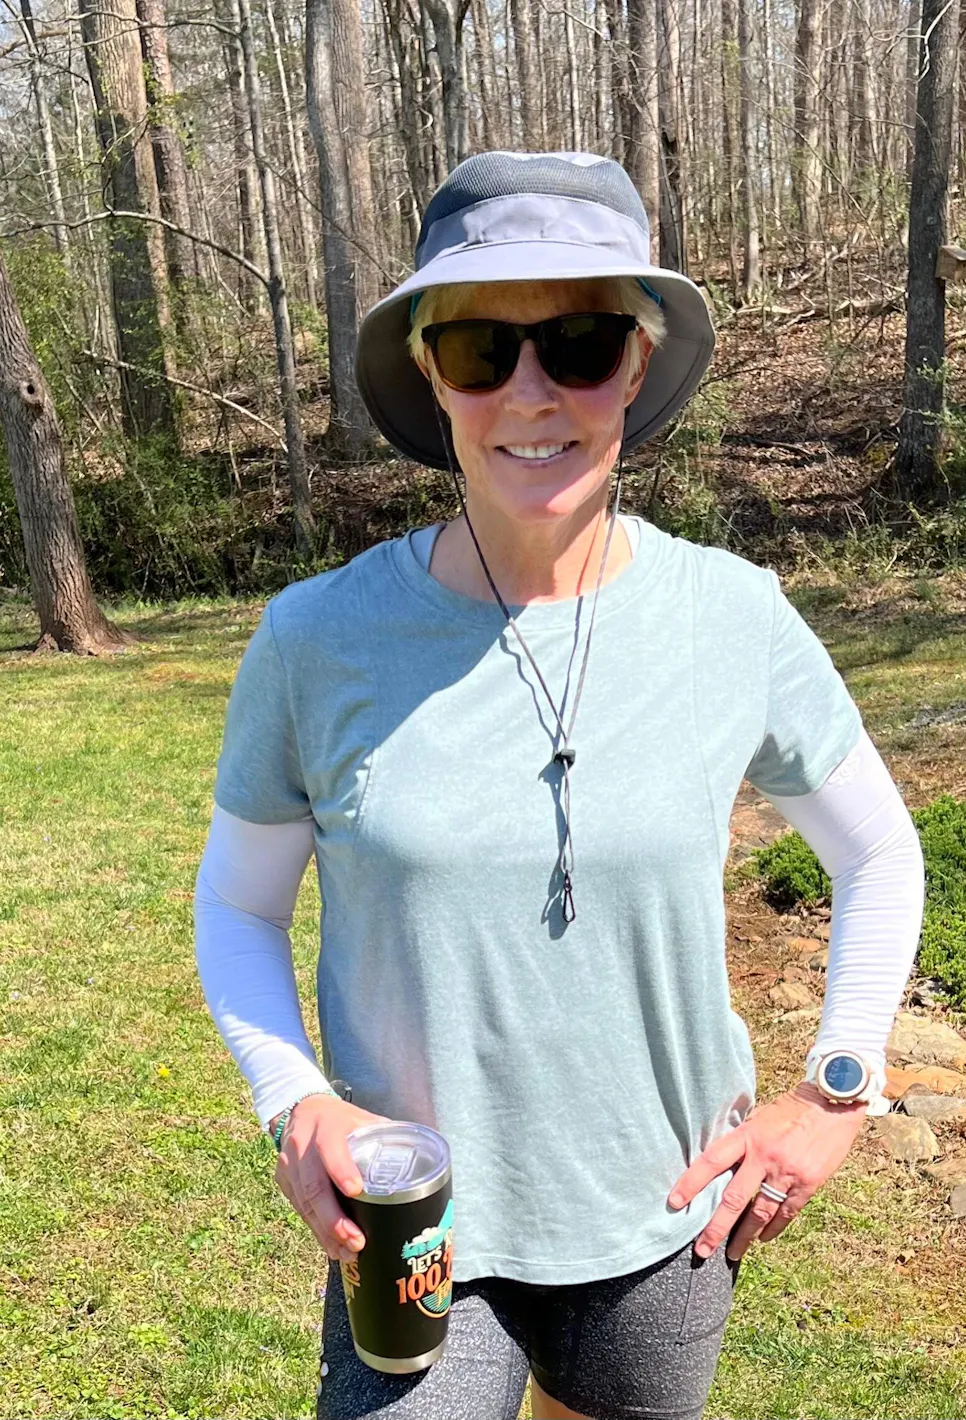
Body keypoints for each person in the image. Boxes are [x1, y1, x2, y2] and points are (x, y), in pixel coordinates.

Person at [194, 152, 925, 1420]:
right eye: (481, 347)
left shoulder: (733, 616)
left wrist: (837, 1090)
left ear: (635, 365)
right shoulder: (315, 639)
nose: (531, 393)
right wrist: (293, 1099)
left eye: (579, 344)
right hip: (417, 1223)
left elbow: (877, 851)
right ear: (430, 371)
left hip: (665, 1222)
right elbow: (238, 904)